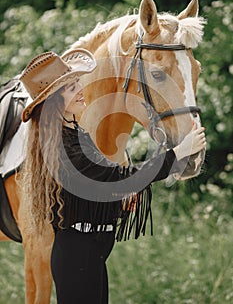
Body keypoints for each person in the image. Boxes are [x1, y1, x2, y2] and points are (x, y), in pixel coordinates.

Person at [18, 49, 206, 304]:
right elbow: (117, 175)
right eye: (72, 88)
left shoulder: (77, 135)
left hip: (91, 252)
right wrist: (178, 153)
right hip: (77, 256)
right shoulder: (64, 146)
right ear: (55, 101)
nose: (81, 89)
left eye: (77, 83)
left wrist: (117, 201)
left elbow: (97, 187)